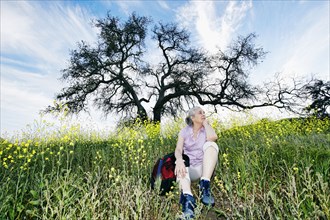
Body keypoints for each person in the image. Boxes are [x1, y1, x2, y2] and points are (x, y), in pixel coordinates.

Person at [174, 106, 219, 219]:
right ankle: (188, 203)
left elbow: (213, 137)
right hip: (191, 169)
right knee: (179, 165)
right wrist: (179, 160)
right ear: (192, 117)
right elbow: (178, 149)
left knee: (211, 145)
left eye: (204, 112)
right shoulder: (184, 131)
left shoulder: (206, 129)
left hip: (205, 168)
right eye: (200, 113)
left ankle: (204, 186)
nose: (203, 114)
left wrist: (206, 124)